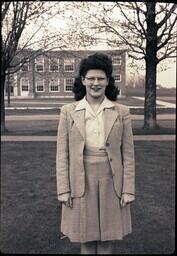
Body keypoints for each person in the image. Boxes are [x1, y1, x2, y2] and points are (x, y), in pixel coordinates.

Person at [56, 53, 135, 254]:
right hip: (80, 182)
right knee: (87, 240)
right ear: (83, 80)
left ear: (108, 81)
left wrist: (128, 189)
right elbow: (62, 155)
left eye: (101, 78)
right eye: (91, 78)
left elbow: (128, 154)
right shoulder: (68, 111)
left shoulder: (121, 111)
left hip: (112, 181)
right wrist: (63, 189)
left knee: (107, 240)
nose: (95, 83)